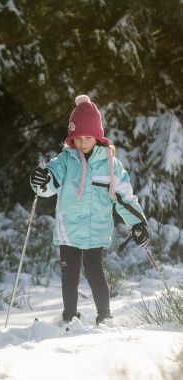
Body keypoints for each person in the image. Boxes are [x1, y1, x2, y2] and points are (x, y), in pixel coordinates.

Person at [30, 95, 150, 325]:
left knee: (95, 271)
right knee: (69, 273)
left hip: (97, 229)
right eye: (77, 138)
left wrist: (137, 223)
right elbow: (50, 181)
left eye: (88, 137)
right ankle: (69, 316)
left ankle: (104, 316)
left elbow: (124, 197)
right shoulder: (64, 160)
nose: (82, 142)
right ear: (71, 138)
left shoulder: (110, 164)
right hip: (69, 228)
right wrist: (41, 180)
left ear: (98, 136)